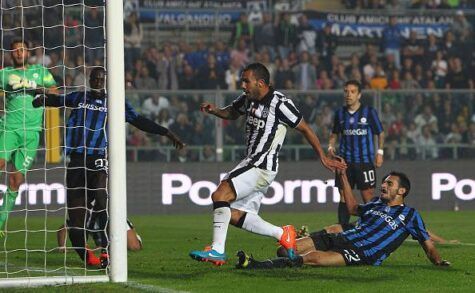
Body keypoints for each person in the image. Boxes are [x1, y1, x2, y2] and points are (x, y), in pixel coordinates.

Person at [189, 63, 346, 266]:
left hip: (261, 164)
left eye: (246, 81)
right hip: (253, 162)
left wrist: (323, 157)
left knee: (220, 195)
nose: (242, 85)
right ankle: (283, 233)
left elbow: (305, 129)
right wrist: (215, 111)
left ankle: (218, 250)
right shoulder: (249, 99)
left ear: (260, 83)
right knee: (233, 215)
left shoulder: (280, 104)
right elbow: (233, 112)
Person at [32, 67, 184, 267]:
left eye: (101, 79)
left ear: (105, 81)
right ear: (89, 79)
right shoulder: (78, 97)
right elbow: (57, 100)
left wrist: (166, 132)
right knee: (76, 222)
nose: (97, 82)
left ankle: (106, 249)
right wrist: (41, 99)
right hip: (77, 161)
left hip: (98, 158)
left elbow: (139, 121)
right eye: (95, 79)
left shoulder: (115, 102)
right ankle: (88, 258)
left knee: (103, 200)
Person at [236, 169, 451, 268]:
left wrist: (439, 261)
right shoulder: (376, 203)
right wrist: (344, 177)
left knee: (314, 258)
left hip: (363, 252)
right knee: (285, 248)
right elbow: (352, 208)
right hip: (344, 237)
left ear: (402, 191)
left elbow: (428, 245)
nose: (383, 185)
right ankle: (282, 258)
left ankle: (256, 265)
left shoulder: (411, 215)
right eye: (384, 182)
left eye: (390, 184)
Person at [0, 39, 58, 232]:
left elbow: (54, 91)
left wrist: (38, 89)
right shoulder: (5, 74)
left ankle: (0, 223)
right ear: (10, 54)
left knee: (16, 180)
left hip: (32, 133)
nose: (18, 53)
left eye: (22, 50)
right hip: (9, 127)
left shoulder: (40, 71)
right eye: (15, 50)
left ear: (28, 53)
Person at [328, 80, 385, 227]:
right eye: (346, 91)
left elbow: (380, 133)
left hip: (364, 161)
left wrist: (380, 152)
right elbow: (334, 134)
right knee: (343, 196)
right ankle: (343, 228)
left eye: (353, 92)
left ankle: (373, 227)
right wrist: (330, 147)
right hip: (344, 163)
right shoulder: (339, 113)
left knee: (368, 196)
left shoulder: (369, 112)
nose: (349, 95)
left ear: (359, 95)